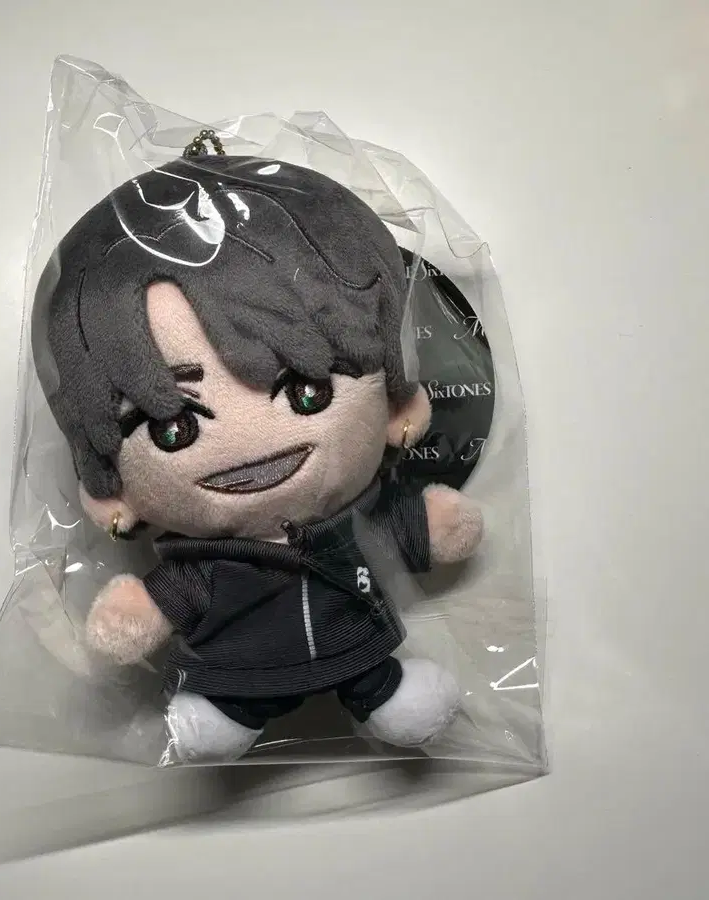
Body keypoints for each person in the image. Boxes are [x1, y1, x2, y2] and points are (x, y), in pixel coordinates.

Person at [32, 155, 482, 761]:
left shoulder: (350, 522)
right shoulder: (205, 565)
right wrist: (138, 611)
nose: (254, 444)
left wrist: (430, 524)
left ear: (395, 406)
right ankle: (232, 711)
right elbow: (166, 598)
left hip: (360, 648)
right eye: (172, 428)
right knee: (222, 718)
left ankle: (379, 692)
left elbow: (403, 526)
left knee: (382, 686)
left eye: (308, 392)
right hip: (237, 671)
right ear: (112, 491)